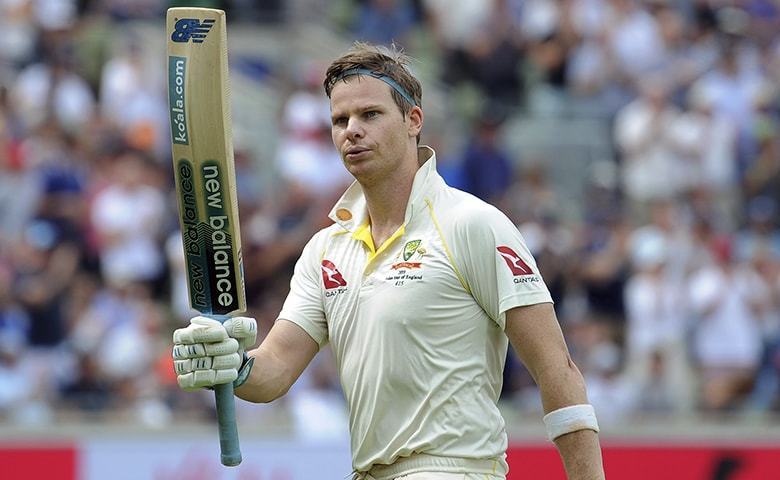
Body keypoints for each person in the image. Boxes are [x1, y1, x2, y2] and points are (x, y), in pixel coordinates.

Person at [171, 42, 604, 480]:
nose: (351, 130)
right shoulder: (326, 249)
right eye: (340, 120)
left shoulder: (473, 224)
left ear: (413, 120)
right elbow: (275, 372)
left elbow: (558, 373)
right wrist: (234, 364)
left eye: (370, 115)